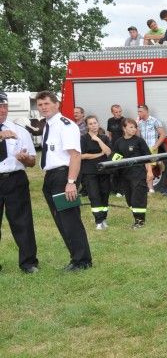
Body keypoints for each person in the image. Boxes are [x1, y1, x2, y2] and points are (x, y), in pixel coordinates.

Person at [36, 91, 93, 271]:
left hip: (63, 176)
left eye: (46, 103)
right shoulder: (48, 126)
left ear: (56, 104)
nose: (43, 107)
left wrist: (71, 182)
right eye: (40, 105)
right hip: (51, 177)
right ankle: (75, 258)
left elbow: (75, 155)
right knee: (60, 221)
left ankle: (82, 261)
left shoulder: (65, 125)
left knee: (70, 220)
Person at [0, 91, 39, 273]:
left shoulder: (19, 130)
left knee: (22, 222)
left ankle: (29, 262)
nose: (3, 110)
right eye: (0, 106)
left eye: (5, 106)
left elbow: (32, 161)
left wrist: (25, 159)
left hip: (15, 180)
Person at [111, 118, 153, 228]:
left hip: (138, 173)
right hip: (125, 175)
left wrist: (149, 172)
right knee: (129, 199)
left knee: (137, 198)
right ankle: (136, 217)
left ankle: (140, 221)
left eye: (135, 127)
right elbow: (115, 158)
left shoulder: (139, 141)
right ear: (124, 129)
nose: (134, 129)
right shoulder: (118, 142)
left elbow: (147, 158)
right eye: (131, 127)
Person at [80, 115, 113, 230]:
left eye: (95, 123)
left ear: (98, 124)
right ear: (87, 126)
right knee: (94, 196)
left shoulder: (104, 138)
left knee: (104, 195)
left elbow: (108, 152)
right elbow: (82, 155)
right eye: (90, 124)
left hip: (104, 171)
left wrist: (98, 140)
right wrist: (99, 154)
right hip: (90, 172)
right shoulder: (83, 139)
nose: (93, 125)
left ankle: (104, 218)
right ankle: (98, 220)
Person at [136, 103, 167, 187]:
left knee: (150, 168)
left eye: (140, 111)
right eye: (138, 112)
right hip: (143, 148)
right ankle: (149, 188)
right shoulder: (140, 123)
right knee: (145, 169)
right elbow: (138, 137)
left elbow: (163, 134)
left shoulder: (155, 121)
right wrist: (136, 126)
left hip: (152, 148)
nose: (139, 113)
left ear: (146, 111)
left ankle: (150, 188)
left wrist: (156, 146)